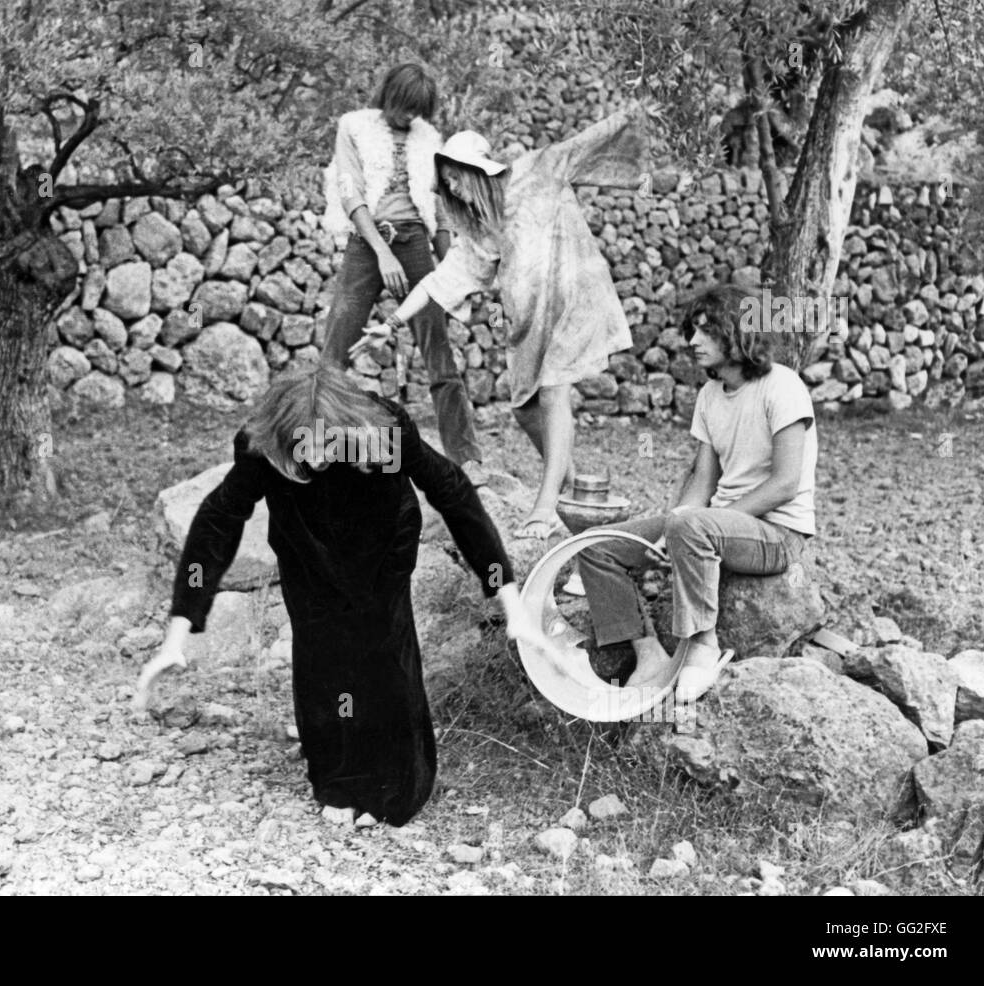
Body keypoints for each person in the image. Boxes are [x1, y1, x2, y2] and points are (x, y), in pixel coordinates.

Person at [132, 364, 551, 826]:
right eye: (302, 455)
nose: (314, 461)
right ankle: (337, 781)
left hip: (383, 543)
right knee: (321, 660)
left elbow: (451, 492)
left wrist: (508, 597)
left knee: (383, 655)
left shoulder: (384, 431)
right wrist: (178, 630)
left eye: (324, 451)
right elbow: (217, 521)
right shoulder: (263, 444)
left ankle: (395, 787)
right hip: (305, 548)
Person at [352, 104, 652, 539]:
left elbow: (589, 142)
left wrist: (637, 111)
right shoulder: (480, 231)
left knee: (553, 392)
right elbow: (441, 281)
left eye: (456, 175)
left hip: (576, 299)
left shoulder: (538, 170)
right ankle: (572, 494)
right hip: (528, 321)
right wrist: (392, 323)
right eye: (447, 181)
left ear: (478, 170)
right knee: (527, 410)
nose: (453, 186)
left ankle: (546, 507)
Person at [574, 284, 819, 704]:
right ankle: (648, 654)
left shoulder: (784, 385)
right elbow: (703, 483)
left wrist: (692, 526)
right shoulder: (708, 395)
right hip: (717, 524)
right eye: (693, 331)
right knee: (597, 546)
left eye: (706, 331)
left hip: (778, 535)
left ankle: (703, 647)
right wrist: (667, 530)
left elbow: (785, 484)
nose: (692, 341)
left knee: (689, 523)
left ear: (737, 332)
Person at [321, 63, 484, 482]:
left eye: (416, 111)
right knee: (337, 345)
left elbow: (442, 209)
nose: (407, 117)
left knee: (439, 354)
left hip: (414, 242)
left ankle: (466, 459)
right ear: (388, 94)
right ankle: (309, 449)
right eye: (402, 106)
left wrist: (453, 268)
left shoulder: (430, 139)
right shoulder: (353, 127)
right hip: (367, 242)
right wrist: (381, 253)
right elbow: (348, 191)